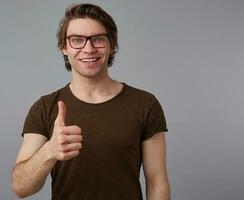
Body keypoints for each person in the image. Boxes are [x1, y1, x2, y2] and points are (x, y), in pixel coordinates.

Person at [11, 3, 170, 200]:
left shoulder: (145, 104)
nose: (89, 48)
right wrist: (49, 152)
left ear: (112, 45)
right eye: (77, 40)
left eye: (98, 39)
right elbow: (21, 187)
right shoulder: (44, 107)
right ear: (64, 48)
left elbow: (157, 181)